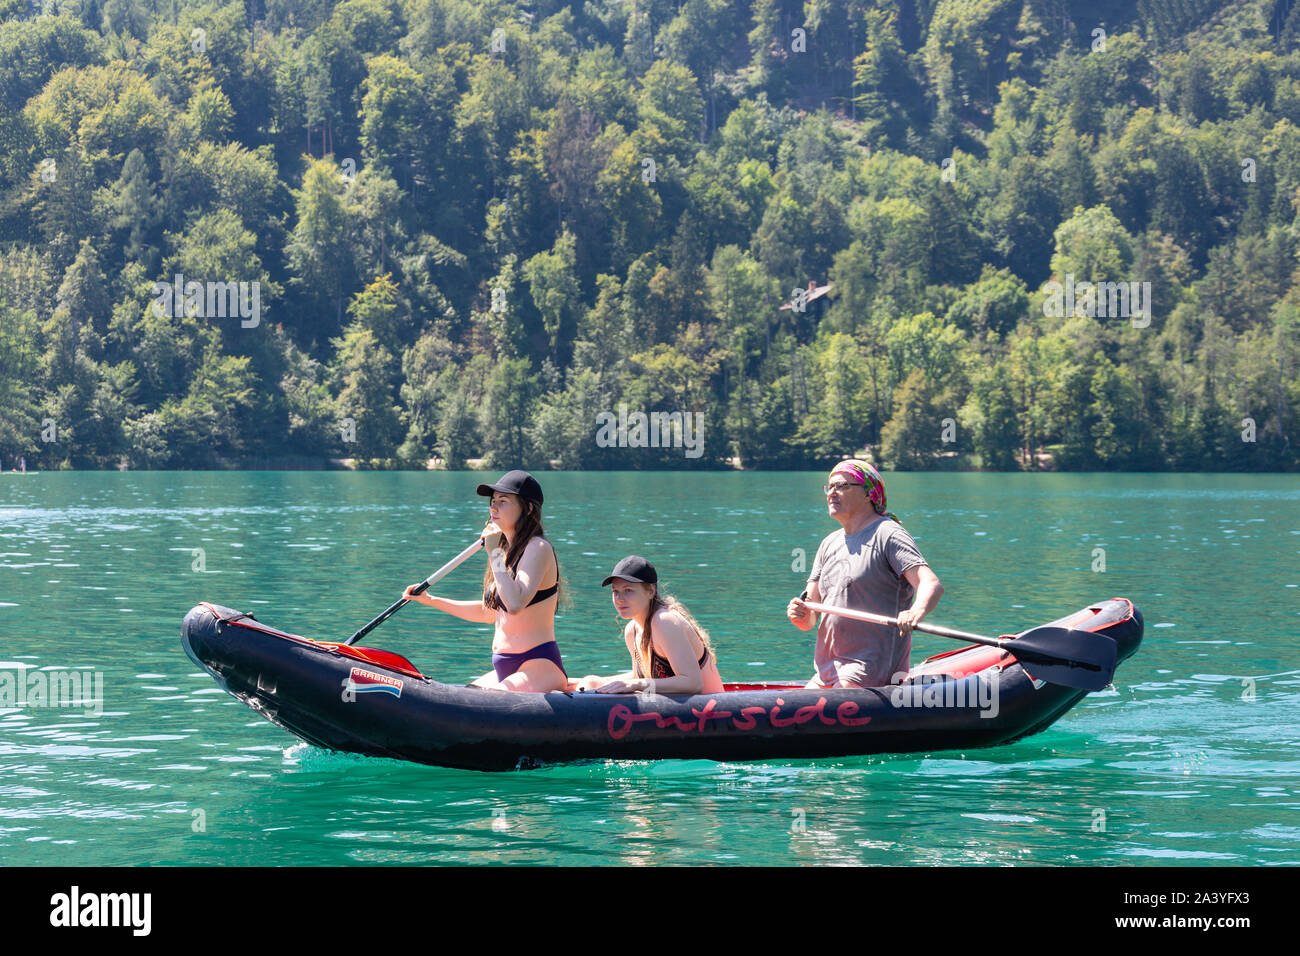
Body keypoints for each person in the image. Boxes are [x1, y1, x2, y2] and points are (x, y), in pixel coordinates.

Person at [402, 470, 567, 692]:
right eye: (493, 501)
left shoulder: (538, 547)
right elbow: (488, 612)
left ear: (527, 508)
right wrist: (431, 600)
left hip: (538, 665)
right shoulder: (504, 552)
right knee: (464, 697)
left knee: (490, 702)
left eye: (503, 501)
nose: (493, 508)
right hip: (505, 668)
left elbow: (515, 604)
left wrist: (495, 553)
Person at [786, 459, 943, 689]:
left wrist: (915, 611)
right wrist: (799, 613)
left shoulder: (888, 533)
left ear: (869, 494)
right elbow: (810, 618)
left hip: (868, 671)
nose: (832, 493)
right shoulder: (828, 543)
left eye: (842, 486)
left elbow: (930, 583)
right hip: (827, 671)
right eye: (829, 487)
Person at [572, 556, 723, 696]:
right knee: (590, 682)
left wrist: (635, 684)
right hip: (671, 712)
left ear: (650, 591)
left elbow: (693, 683)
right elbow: (642, 679)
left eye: (628, 590)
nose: (619, 599)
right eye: (615, 592)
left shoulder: (665, 621)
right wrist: (590, 681)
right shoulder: (632, 631)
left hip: (713, 715)